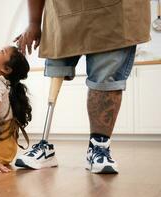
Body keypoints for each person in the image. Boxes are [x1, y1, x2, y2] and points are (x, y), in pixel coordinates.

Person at [14, 0, 150, 173]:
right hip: (63, 13)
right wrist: (33, 22)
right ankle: (44, 146)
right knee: (57, 71)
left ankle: (98, 147)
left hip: (116, 13)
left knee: (105, 80)